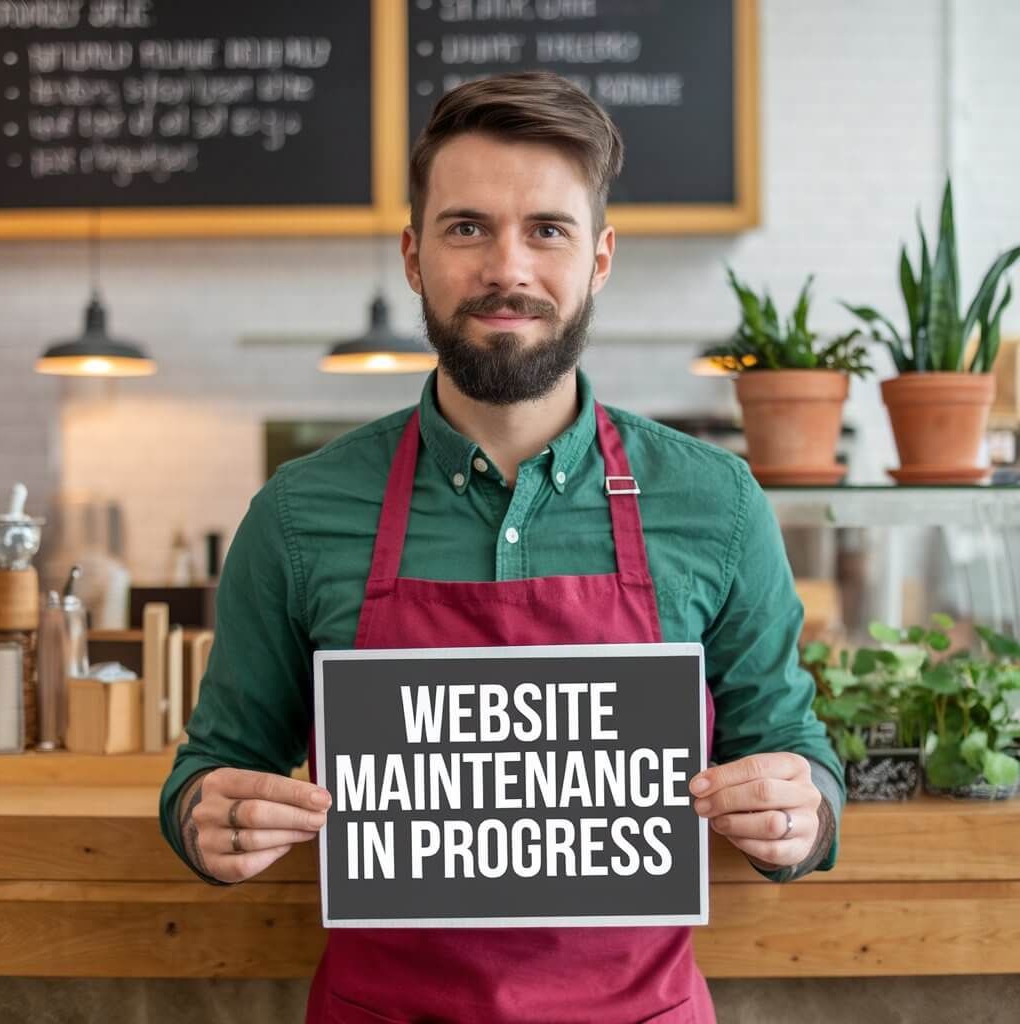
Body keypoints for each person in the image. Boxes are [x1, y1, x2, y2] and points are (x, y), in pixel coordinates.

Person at [160, 70, 843, 1024]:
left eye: (547, 231)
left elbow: (794, 751)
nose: (507, 269)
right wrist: (208, 824)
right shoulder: (297, 514)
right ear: (413, 254)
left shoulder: (713, 501)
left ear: (599, 259)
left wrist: (799, 811)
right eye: (467, 227)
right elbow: (214, 766)